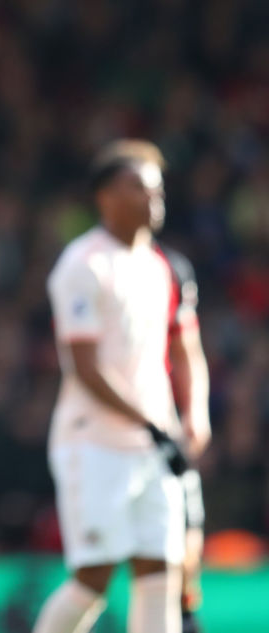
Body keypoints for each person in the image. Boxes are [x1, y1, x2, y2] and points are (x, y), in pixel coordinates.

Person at [33, 139, 194, 633]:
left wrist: (192, 417)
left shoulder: (162, 266)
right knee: (93, 577)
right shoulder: (83, 265)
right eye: (140, 189)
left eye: (158, 191)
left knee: (158, 574)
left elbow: (186, 347)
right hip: (94, 444)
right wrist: (150, 421)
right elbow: (84, 367)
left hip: (152, 444)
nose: (154, 200)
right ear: (104, 197)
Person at [160, 246, 211, 633]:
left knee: (185, 552)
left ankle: (187, 618)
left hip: (167, 435)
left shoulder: (173, 269)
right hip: (114, 440)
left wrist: (196, 413)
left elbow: (188, 349)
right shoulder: (95, 264)